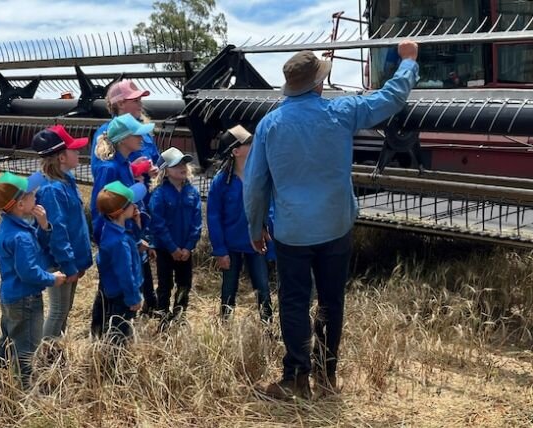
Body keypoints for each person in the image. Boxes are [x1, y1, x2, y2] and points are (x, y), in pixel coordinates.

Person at [243, 40, 420, 400]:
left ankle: (295, 379)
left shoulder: (269, 125)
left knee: (293, 302)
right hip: (336, 226)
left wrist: (256, 226)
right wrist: (408, 62)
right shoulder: (342, 112)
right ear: (319, 84)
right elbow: (391, 98)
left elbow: (256, 184)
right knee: (330, 301)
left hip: (292, 231)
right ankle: (326, 378)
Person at [0, 171, 67, 389]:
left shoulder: (11, 228)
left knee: (8, 341)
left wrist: (43, 226)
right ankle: (25, 394)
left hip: (10, 297)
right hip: (27, 300)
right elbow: (29, 272)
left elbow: (33, 253)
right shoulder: (20, 237)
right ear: (21, 205)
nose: (36, 197)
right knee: (27, 350)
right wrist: (52, 278)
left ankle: (1, 386)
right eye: (32, 194)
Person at [92, 80, 161, 315]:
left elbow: (153, 160)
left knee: (134, 266)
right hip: (120, 218)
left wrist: (148, 171)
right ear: (119, 103)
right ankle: (107, 326)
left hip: (137, 213)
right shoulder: (105, 136)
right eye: (136, 100)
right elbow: (106, 194)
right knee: (117, 276)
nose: (141, 104)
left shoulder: (143, 134)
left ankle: (141, 306)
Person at [32, 126, 93, 340]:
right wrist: (68, 265)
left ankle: (57, 356)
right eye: (74, 150)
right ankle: (45, 360)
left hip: (71, 261)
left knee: (64, 310)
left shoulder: (67, 181)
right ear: (61, 158)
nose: (79, 153)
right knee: (58, 311)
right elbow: (57, 233)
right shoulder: (52, 190)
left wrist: (78, 263)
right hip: (60, 262)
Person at [207, 125, 273, 323]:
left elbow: (271, 205)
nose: (253, 145)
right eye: (247, 143)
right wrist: (220, 250)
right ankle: (225, 326)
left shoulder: (261, 177)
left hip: (256, 243)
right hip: (231, 245)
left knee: (263, 287)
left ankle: (267, 327)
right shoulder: (221, 182)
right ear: (236, 152)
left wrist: (269, 229)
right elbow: (213, 217)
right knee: (229, 288)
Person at [148, 147, 202, 323]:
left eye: (184, 163)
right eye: (176, 164)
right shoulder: (159, 194)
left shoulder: (192, 193)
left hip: (185, 249)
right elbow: (158, 223)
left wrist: (188, 247)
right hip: (165, 249)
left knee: (185, 283)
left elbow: (197, 222)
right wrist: (172, 248)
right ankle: (162, 317)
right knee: (165, 284)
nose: (183, 167)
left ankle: (179, 316)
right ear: (165, 171)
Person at [91, 181, 148, 342]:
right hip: (122, 294)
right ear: (121, 211)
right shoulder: (119, 242)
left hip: (112, 287)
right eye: (131, 203)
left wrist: (137, 226)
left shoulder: (110, 228)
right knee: (120, 331)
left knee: (111, 324)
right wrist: (133, 298)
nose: (135, 205)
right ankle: (114, 359)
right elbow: (125, 273)